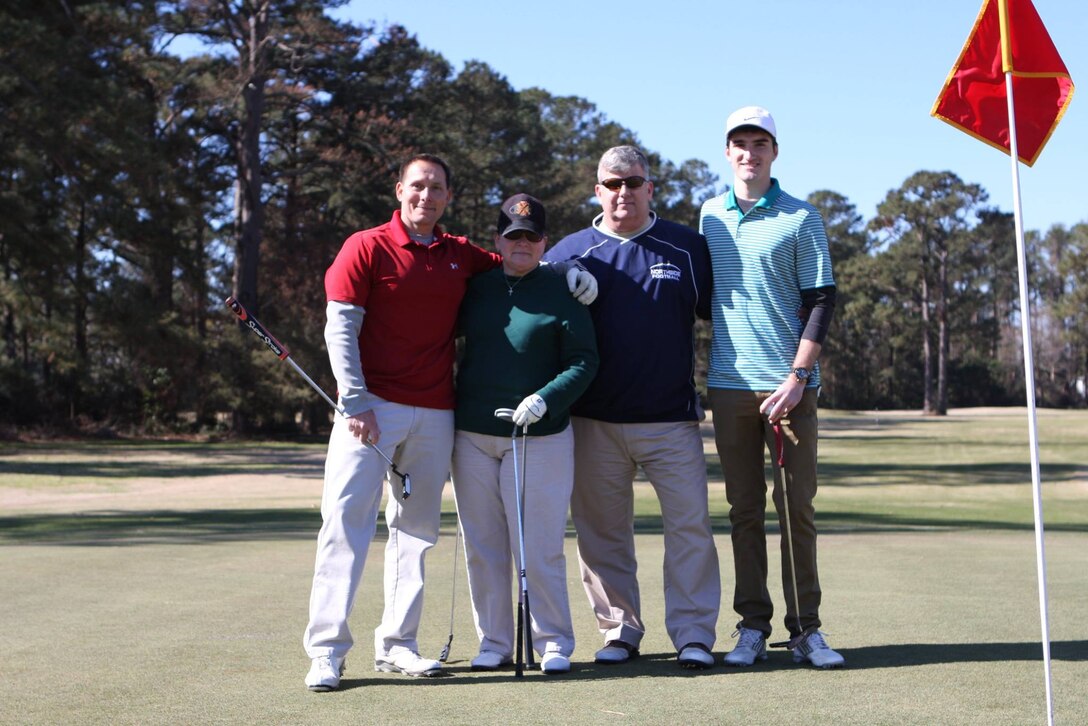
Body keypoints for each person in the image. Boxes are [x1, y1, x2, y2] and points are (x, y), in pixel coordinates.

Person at [304, 155, 598, 691]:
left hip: (439, 412)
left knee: (414, 533)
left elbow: (519, 264)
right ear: (399, 189)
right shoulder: (365, 246)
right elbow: (339, 329)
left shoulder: (461, 256)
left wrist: (565, 270)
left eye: (437, 188)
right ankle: (326, 652)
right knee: (344, 525)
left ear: (448, 197)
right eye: (418, 186)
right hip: (370, 410)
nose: (426, 195)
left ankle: (398, 645)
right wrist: (355, 400)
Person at [543, 145, 720, 670]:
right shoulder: (567, 254)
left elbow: (723, 318)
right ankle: (620, 630)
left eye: (633, 182)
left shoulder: (687, 247)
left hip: (671, 421)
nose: (623, 192)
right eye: (612, 184)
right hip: (593, 421)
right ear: (597, 190)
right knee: (601, 535)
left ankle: (692, 634)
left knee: (690, 530)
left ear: (649, 188)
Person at [699, 106, 844, 669]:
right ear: (728, 151)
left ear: (774, 152)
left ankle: (806, 629)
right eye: (739, 143)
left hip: (789, 387)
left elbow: (822, 301)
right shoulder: (710, 214)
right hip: (728, 386)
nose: (749, 153)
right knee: (743, 511)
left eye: (760, 143)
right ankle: (752, 627)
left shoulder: (801, 218)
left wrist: (798, 377)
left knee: (795, 509)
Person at [451, 193, 598, 675]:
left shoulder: (562, 288)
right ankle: (494, 642)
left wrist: (546, 399)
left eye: (532, 236)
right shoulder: (477, 287)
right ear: (497, 240)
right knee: (484, 544)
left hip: (541, 435)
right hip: (473, 434)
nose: (523, 244)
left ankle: (553, 640)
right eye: (513, 235)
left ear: (544, 243)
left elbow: (584, 360)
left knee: (538, 545)